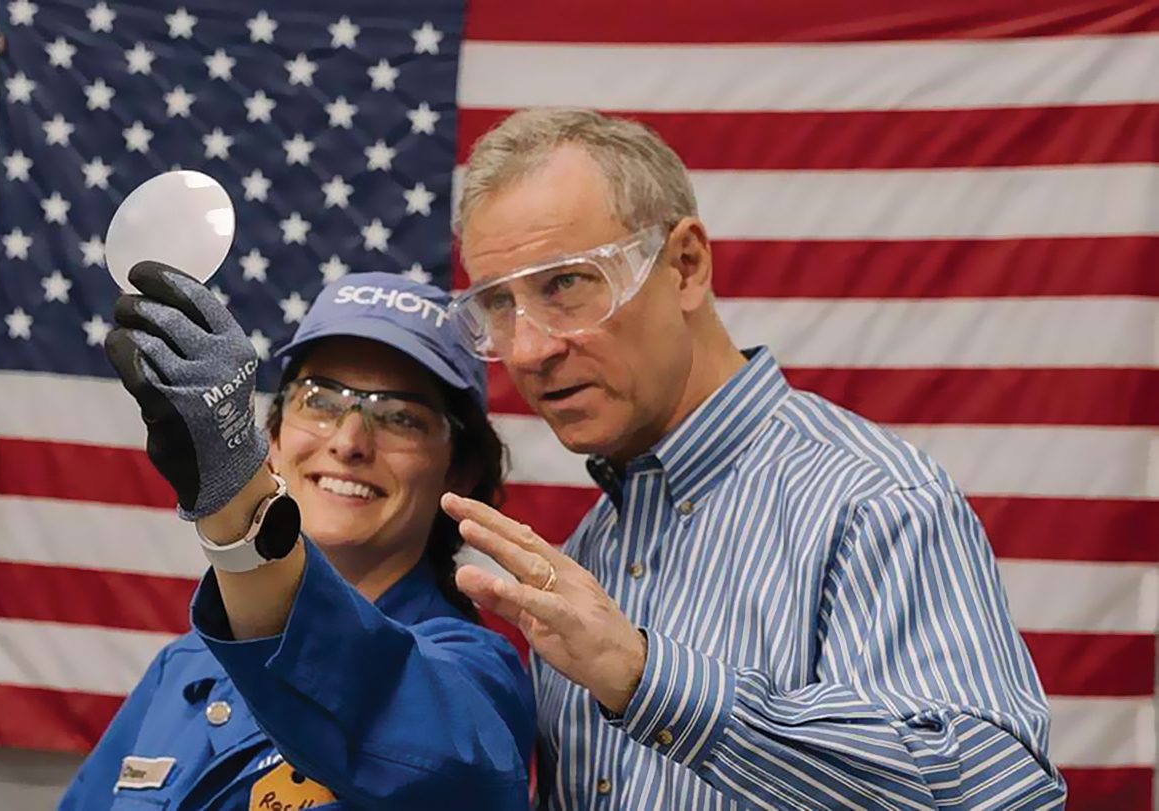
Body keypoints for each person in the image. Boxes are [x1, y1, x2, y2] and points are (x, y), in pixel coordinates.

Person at [440, 108, 1067, 810]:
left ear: (686, 266)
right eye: (499, 302)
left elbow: (1001, 796)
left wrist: (650, 680)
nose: (528, 350)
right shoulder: (594, 551)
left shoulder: (871, 500)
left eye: (565, 284)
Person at [60, 267, 535, 810]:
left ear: (458, 472)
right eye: (321, 400)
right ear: (275, 437)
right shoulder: (184, 667)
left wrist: (235, 496)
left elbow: (431, 752)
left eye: (401, 417)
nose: (350, 442)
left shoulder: (475, 679)